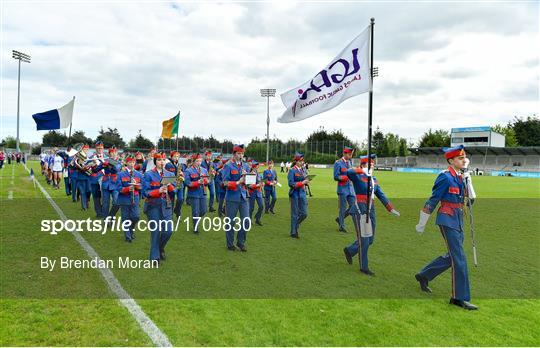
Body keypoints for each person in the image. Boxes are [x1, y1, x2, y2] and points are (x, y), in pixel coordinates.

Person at [414, 145, 478, 310]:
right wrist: (422, 222)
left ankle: (424, 275)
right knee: (460, 259)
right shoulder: (445, 177)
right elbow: (433, 200)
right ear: (451, 160)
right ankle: (458, 298)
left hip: (458, 219)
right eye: (460, 158)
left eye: (464, 158)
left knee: (452, 256)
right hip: (447, 219)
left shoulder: (461, 176)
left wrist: (468, 178)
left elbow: (471, 199)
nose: (463, 160)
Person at [342, 154, 400, 276]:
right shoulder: (358, 176)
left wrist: (390, 208)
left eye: (373, 164)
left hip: (370, 209)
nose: (373, 166)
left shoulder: (374, 179)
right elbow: (348, 172)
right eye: (370, 164)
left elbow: (381, 194)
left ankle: (350, 250)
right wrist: (361, 170)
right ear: (363, 165)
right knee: (364, 239)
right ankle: (364, 267)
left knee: (370, 239)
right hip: (360, 208)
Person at [142, 152, 176, 263]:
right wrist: (158, 191)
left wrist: (170, 187)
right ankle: (154, 257)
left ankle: (160, 248)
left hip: (166, 205)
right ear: (155, 162)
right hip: (153, 206)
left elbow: (175, 190)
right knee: (155, 232)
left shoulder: (169, 175)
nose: (161, 162)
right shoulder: (148, 174)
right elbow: (145, 192)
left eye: (163, 160)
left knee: (168, 231)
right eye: (159, 160)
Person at [221, 144, 251, 251]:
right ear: (234, 154)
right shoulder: (228, 165)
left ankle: (240, 242)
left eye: (242, 153)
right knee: (231, 222)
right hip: (232, 197)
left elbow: (249, 183)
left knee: (246, 221)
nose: (241, 155)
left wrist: (247, 178)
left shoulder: (246, 166)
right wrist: (238, 182)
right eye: (239, 153)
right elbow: (224, 182)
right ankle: (230, 244)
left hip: (243, 196)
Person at [117, 154, 143, 242]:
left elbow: (142, 186)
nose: (132, 164)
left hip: (135, 198)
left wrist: (137, 186)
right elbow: (118, 188)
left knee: (136, 216)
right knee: (125, 217)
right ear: (126, 163)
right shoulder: (120, 174)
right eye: (130, 162)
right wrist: (127, 189)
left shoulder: (139, 174)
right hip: (124, 199)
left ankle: (131, 229)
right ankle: (127, 236)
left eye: (133, 162)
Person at [184, 153, 209, 234]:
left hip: (202, 192)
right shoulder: (188, 170)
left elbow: (208, 181)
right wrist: (197, 182)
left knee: (203, 210)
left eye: (200, 161)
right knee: (195, 211)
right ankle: (195, 227)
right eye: (197, 161)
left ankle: (196, 219)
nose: (199, 163)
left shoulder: (204, 170)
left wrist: (207, 180)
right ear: (193, 161)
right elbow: (187, 183)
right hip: (194, 193)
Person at [334, 147, 356, 233]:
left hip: (350, 188)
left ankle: (340, 219)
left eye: (351, 154)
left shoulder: (350, 162)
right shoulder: (338, 163)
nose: (351, 156)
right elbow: (336, 177)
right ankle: (341, 226)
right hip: (342, 188)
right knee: (342, 208)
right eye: (349, 154)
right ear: (345, 154)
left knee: (353, 206)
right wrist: (346, 177)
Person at [287, 153, 310, 238]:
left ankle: (295, 225)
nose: (302, 162)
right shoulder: (292, 170)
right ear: (296, 161)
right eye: (300, 160)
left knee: (304, 213)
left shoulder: (303, 170)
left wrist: (307, 181)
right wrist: (302, 183)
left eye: (302, 160)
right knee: (295, 214)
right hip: (295, 194)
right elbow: (291, 183)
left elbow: (304, 179)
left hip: (302, 193)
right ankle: (293, 232)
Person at [100, 146, 122, 221]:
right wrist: (95, 165)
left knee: (117, 202)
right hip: (105, 183)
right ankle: (106, 219)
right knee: (105, 204)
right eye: (111, 152)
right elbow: (96, 170)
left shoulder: (119, 162)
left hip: (115, 184)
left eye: (115, 152)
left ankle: (110, 216)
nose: (113, 154)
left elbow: (116, 169)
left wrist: (109, 163)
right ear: (109, 154)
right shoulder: (105, 161)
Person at [165, 151, 185, 220]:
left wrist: (182, 174)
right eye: (175, 156)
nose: (176, 158)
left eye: (178, 156)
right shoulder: (168, 165)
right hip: (172, 184)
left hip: (180, 183)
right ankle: (170, 216)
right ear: (171, 157)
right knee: (172, 201)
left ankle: (177, 211)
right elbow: (168, 175)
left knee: (181, 199)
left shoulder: (180, 164)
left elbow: (183, 173)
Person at [88, 141, 105, 218]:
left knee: (105, 197)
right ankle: (99, 213)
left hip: (105, 179)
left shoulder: (106, 157)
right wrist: (91, 165)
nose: (99, 149)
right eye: (98, 148)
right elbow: (87, 169)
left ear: (103, 148)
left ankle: (104, 211)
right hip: (94, 179)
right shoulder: (91, 157)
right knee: (96, 197)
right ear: (95, 148)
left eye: (101, 148)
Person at [248, 160, 264, 226]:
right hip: (252, 192)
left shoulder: (259, 173)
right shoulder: (251, 174)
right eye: (257, 165)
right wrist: (257, 185)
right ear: (254, 166)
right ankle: (249, 220)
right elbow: (249, 186)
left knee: (261, 206)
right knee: (251, 208)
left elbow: (260, 181)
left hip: (258, 192)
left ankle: (257, 218)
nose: (258, 166)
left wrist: (262, 183)